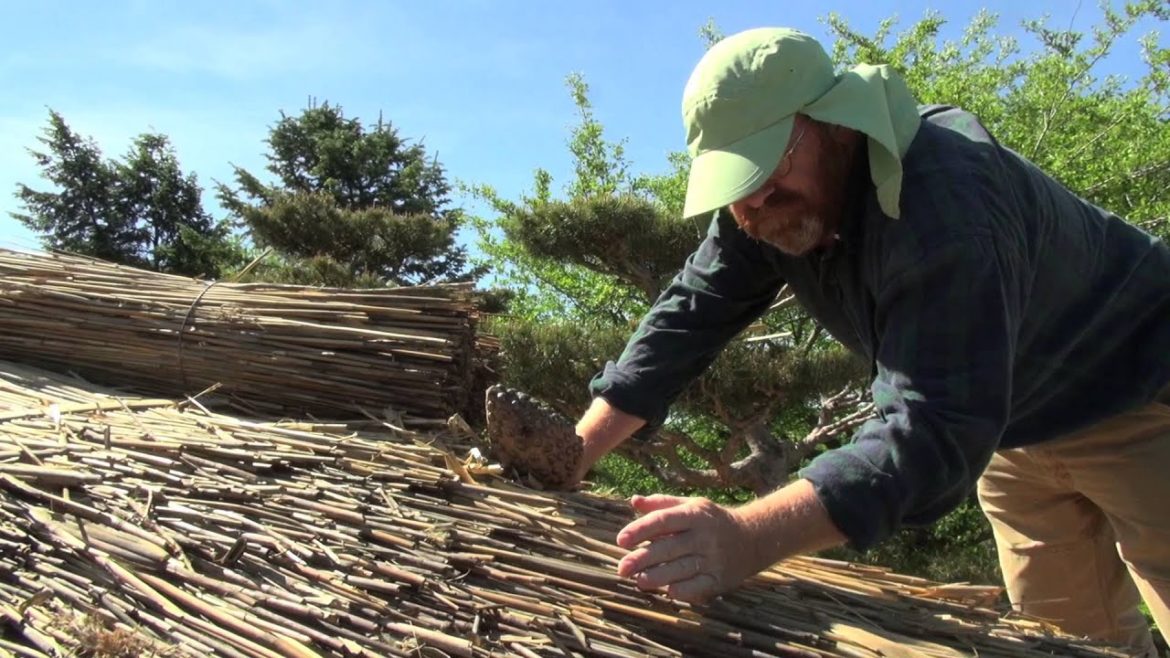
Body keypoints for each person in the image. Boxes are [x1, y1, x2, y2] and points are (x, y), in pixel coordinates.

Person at [565, 27, 1170, 656]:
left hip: (1140, 395)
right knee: (1074, 643)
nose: (756, 197)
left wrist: (747, 537)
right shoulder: (762, 201)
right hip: (1013, 430)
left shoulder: (947, 207)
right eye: (737, 178)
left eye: (770, 162)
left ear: (837, 126)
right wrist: (576, 450)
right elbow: (691, 312)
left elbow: (931, 427)